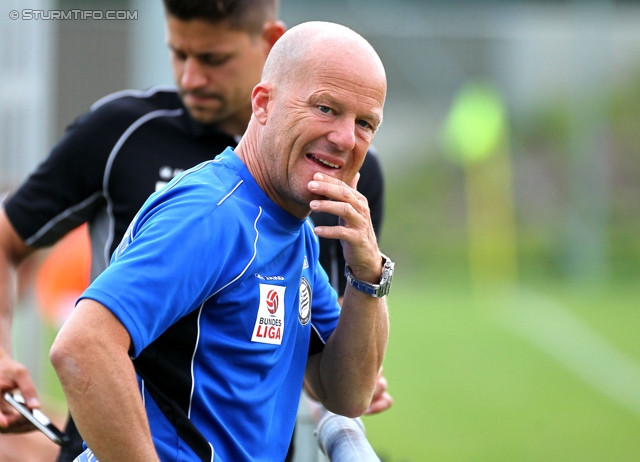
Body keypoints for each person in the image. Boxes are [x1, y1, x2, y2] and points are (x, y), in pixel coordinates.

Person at [0, 0, 390, 460]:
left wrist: (369, 274)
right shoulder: (212, 212)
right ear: (263, 104)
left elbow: (345, 394)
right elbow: (82, 346)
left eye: (365, 123)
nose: (346, 137)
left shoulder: (295, 227)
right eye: (326, 108)